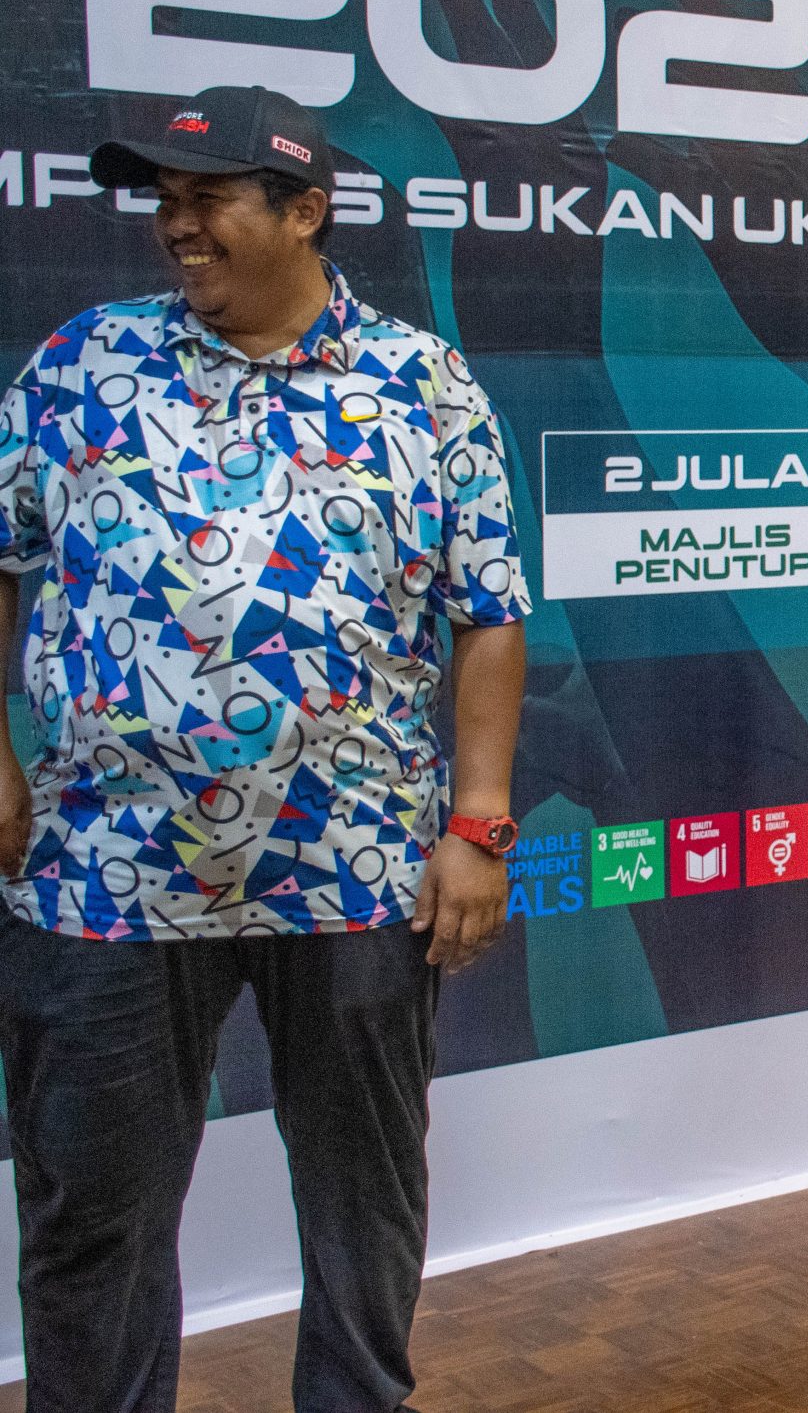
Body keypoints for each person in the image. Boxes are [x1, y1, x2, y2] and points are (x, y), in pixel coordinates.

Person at [0, 87, 531, 1412]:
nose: (177, 225)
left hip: (354, 867)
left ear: (307, 210)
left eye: (210, 198)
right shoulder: (82, 365)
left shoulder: (423, 384)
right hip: (107, 873)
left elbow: (489, 612)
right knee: (91, 1219)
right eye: (165, 200)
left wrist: (478, 821)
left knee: (365, 1208)